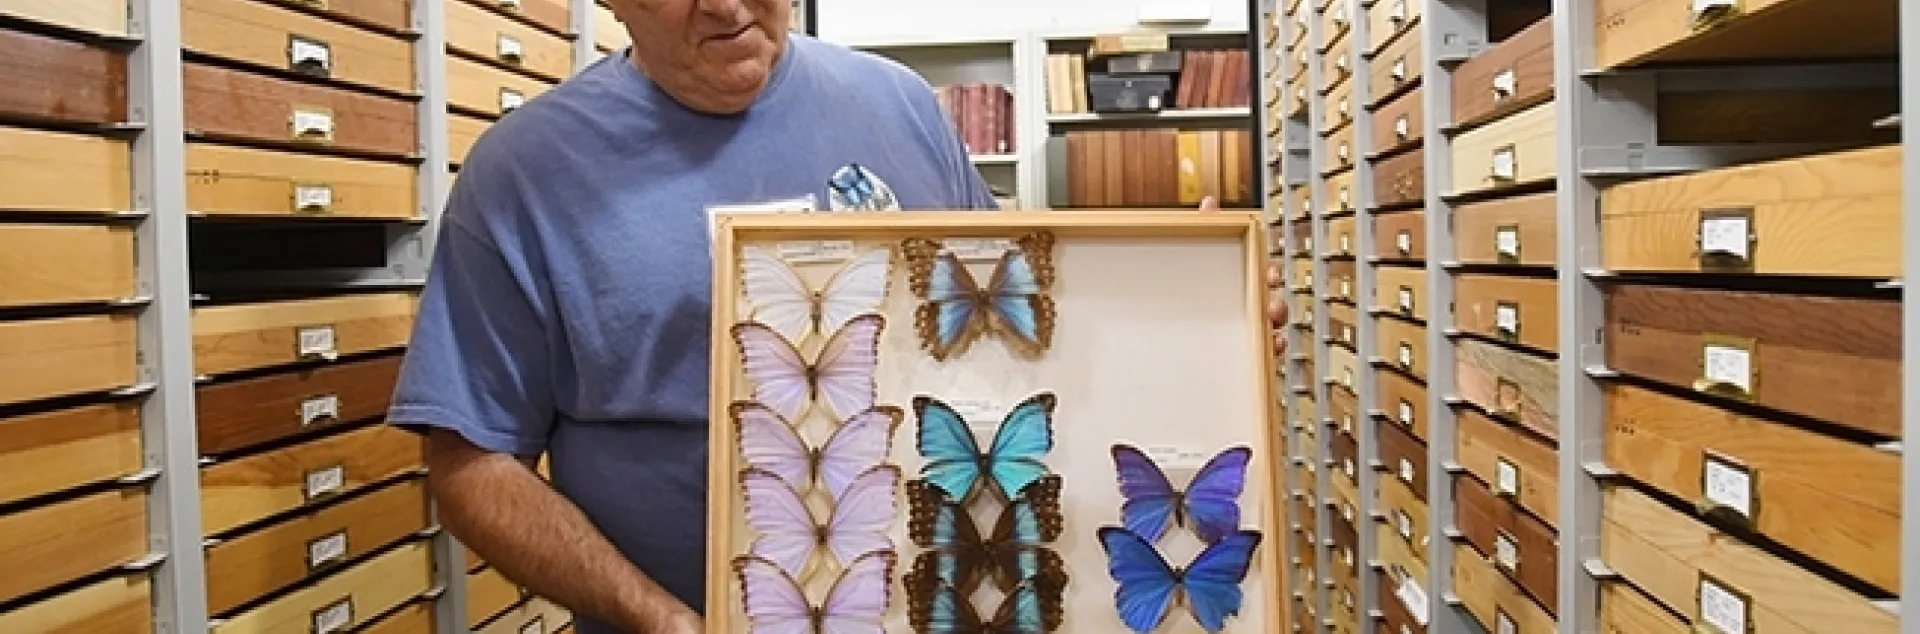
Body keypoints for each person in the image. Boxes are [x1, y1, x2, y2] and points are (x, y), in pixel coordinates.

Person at [386, 0, 1290, 631]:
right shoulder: (525, 174)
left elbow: (1014, 350)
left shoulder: (899, 106)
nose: (725, 5)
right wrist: (655, 617)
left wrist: (1186, 316)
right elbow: (470, 460)